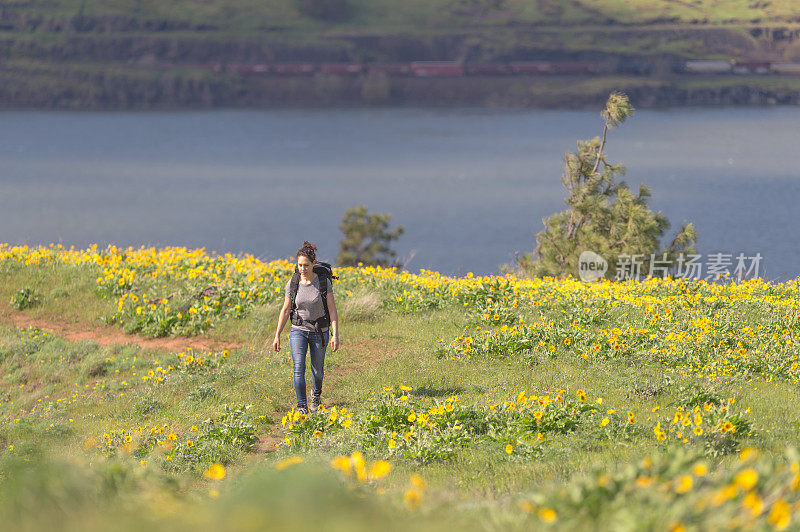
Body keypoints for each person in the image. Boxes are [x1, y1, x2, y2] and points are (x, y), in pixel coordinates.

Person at [272, 241, 339, 415]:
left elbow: (332, 310)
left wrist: (335, 335)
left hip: (320, 332)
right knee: (298, 368)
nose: (302, 269)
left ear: (313, 264)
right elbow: (285, 309)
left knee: (317, 371)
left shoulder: (323, 283)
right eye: (300, 265)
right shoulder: (293, 283)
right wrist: (277, 335)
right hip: (298, 330)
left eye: (306, 265)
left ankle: (316, 395)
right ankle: (302, 406)